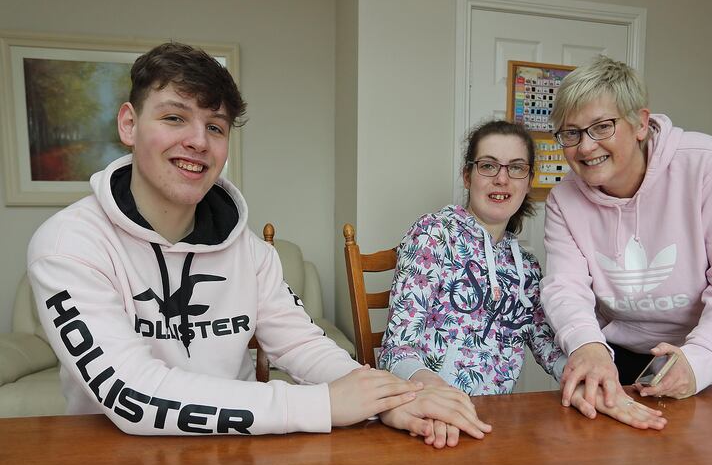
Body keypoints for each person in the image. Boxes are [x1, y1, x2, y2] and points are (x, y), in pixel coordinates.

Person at [27, 42, 487, 438]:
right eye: (174, 118)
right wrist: (321, 405)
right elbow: (131, 392)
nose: (198, 142)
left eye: (215, 127)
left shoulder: (250, 251)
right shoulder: (69, 244)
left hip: (237, 459)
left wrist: (391, 398)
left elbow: (303, 345)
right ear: (129, 124)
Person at [379, 120, 666, 448]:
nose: (501, 178)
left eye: (516, 168)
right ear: (467, 175)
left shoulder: (527, 266)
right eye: (488, 166)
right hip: (425, 420)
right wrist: (434, 393)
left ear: (529, 181)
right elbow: (396, 349)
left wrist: (595, 389)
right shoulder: (434, 234)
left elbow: (548, 349)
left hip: (490, 429)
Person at [541, 56, 712, 419]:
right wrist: (586, 345)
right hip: (623, 347)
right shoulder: (562, 200)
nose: (585, 147)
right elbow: (565, 286)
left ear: (640, 123)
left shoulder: (711, 167)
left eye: (602, 127)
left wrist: (699, 361)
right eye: (571, 133)